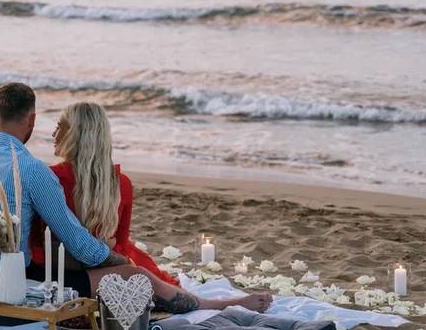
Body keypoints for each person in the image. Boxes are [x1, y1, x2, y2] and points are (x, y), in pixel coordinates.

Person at [27, 102, 271, 314]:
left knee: (143, 276)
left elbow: (38, 239)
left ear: (76, 135)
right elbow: (120, 242)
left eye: (60, 127)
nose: (53, 133)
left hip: (76, 268)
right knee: (143, 276)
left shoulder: (55, 179)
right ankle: (214, 305)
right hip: (81, 271)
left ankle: (209, 303)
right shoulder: (114, 183)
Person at [0, 84, 128, 287]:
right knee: (130, 275)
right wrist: (117, 260)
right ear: (32, 120)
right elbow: (77, 242)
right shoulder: (32, 169)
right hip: (5, 287)